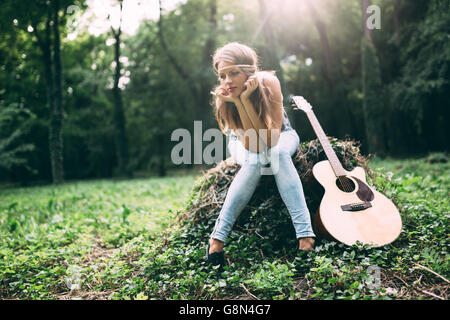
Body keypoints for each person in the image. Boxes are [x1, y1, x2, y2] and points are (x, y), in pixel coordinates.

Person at [207, 42, 315, 270]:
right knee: (255, 161)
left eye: (233, 73)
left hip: (282, 135)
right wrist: (238, 101)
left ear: (249, 71)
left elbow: (271, 140)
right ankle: (216, 240)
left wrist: (246, 100)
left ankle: (306, 238)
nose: (227, 81)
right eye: (222, 75)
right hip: (242, 143)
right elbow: (254, 146)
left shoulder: (269, 83)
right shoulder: (225, 97)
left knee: (278, 154)